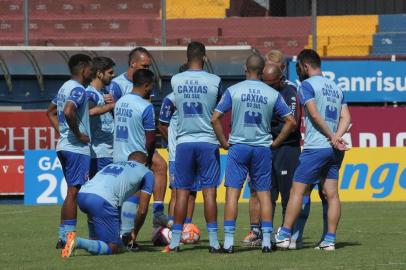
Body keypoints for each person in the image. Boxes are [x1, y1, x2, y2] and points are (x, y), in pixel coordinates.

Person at [211, 54, 296, 253]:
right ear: (262, 70)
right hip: (261, 148)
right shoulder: (271, 93)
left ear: (244, 68)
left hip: (238, 147)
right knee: (264, 194)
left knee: (232, 193)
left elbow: (215, 118)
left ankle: (230, 243)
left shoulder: (234, 90)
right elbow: (291, 121)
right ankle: (266, 242)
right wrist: (276, 142)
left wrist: (224, 142)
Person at [275, 49, 351, 251]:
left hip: (316, 147)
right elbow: (347, 118)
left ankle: (284, 235)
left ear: (305, 66)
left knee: (297, 191)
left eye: (299, 67)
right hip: (334, 149)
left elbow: (315, 116)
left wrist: (330, 136)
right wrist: (336, 137)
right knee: (332, 195)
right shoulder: (336, 88)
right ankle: (329, 240)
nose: (299, 71)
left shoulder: (306, 85)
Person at [163, 42, 223, 253]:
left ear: (187, 58)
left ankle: (175, 241)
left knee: (181, 194)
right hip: (208, 141)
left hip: (184, 143)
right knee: (209, 193)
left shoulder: (176, 80)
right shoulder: (215, 80)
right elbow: (220, 111)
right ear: (204, 58)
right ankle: (214, 242)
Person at [110, 47, 169, 234]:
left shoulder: (143, 84)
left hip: (136, 142)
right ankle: (126, 234)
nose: (147, 68)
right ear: (132, 64)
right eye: (144, 65)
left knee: (160, 165)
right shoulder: (117, 85)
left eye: (149, 66)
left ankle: (157, 211)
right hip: (127, 144)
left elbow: (146, 113)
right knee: (133, 193)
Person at [61, 151, 155, 257]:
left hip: (83, 195)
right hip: (102, 201)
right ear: (145, 163)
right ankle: (76, 241)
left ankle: (76, 243)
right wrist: (133, 232)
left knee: (97, 241)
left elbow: (117, 205)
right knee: (113, 248)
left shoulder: (114, 164)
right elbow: (142, 210)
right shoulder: (147, 172)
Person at [46, 54, 93, 249]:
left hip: (64, 145)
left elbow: (49, 111)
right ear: (83, 69)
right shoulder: (79, 89)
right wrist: (78, 135)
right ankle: (68, 237)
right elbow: (67, 111)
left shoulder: (64, 87)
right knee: (74, 192)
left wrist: (63, 132)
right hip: (76, 148)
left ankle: (63, 236)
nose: (91, 72)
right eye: (90, 68)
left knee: (71, 192)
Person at [112, 68, 157, 243]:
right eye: (151, 85)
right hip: (135, 158)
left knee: (120, 198)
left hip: (118, 155)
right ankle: (127, 236)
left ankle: (119, 235)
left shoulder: (120, 102)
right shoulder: (146, 107)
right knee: (134, 196)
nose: (152, 88)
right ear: (146, 86)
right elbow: (151, 138)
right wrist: (149, 158)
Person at [86, 57, 116, 178]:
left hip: (110, 151)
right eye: (110, 72)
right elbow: (89, 112)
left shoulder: (103, 93)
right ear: (99, 73)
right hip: (99, 153)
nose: (113, 75)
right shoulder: (89, 93)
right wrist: (113, 105)